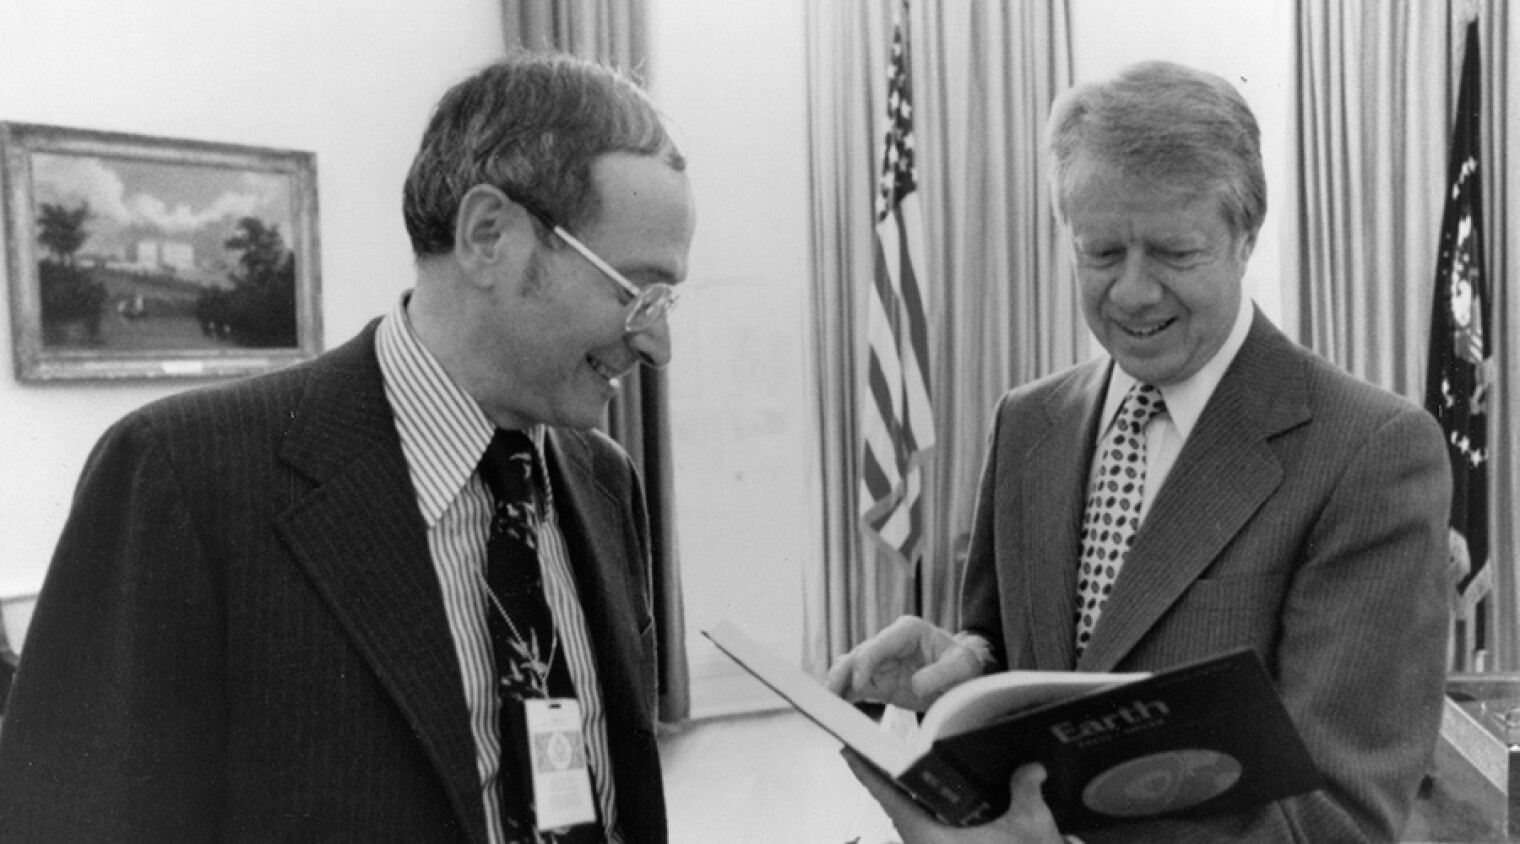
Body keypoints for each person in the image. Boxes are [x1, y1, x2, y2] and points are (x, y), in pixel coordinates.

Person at [0, 51, 694, 844]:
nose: (658, 341)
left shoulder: (606, 483)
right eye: (637, 290)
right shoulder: (184, 477)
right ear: (487, 235)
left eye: (668, 299)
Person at [827, 60, 1451, 843]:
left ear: (1245, 237)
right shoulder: (1029, 423)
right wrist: (965, 665)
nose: (1131, 293)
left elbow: (1339, 821)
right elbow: (1045, 676)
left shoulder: (1370, 453)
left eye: (1173, 254)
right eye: (1100, 253)